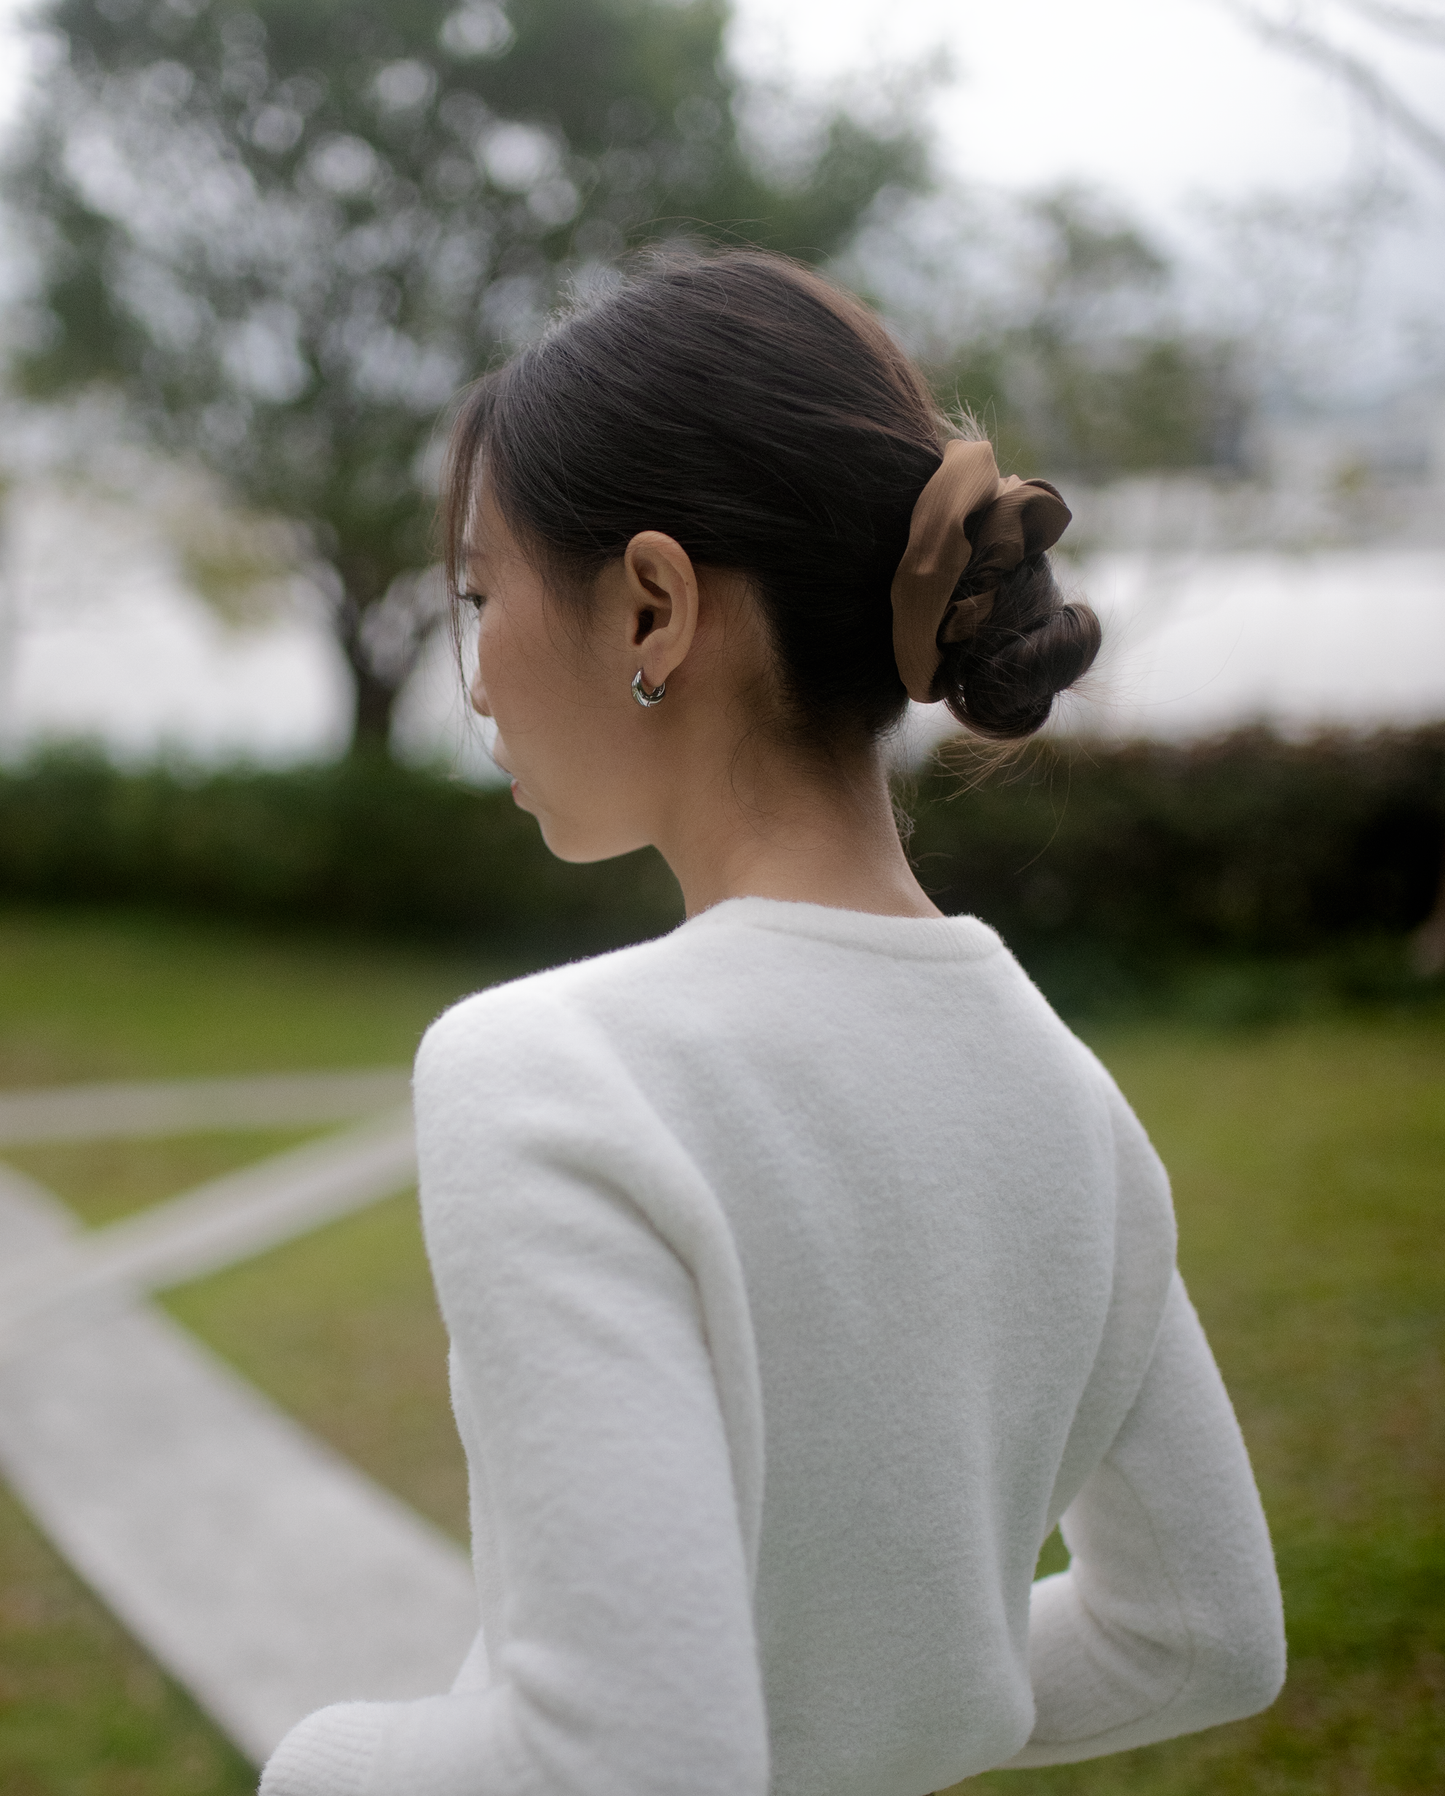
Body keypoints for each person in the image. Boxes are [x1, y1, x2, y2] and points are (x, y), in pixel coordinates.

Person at [259, 251, 1284, 1796]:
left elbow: (628, 1760)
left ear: (655, 605)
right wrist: (867, 1709)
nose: (473, 684)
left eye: (480, 595)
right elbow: (1200, 1633)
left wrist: (317, 1761)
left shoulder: (546, 1075)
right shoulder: (1071, 1095)